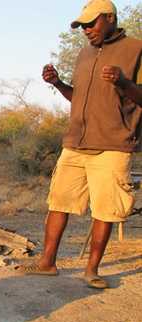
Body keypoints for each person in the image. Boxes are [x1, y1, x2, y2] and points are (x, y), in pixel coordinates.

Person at [26, 0, 142, 288]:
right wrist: (58, 83)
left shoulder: (136, 49)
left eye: (92, 24)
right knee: (58, 202)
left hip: (113, 144)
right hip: (76, 142)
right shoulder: (84, 53)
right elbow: (77, 98)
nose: (86, 30)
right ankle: (47, 263)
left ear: (110, 19)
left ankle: (92, 271)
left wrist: (124, 82)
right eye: (82, 26)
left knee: (104, 209)